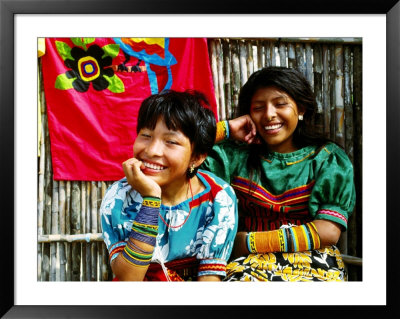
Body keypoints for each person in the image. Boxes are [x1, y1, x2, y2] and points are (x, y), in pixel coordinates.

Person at [202, 66, 356, 281]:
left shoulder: (327, 158)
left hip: (314, 261)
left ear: (301, 108)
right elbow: (180, 155)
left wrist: (247, 242)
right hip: (245, 264)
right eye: (258, 107)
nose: (268, 115)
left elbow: (329, 232)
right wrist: (226, 129)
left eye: (280, 104)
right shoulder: (230, 156)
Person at [100, 90, 238, 281]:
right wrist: (151, 199)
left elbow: (209, 281)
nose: (152, 150)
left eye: (171, 141)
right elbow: (129, 279)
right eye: (146, 135)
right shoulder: (120, 196)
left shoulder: (219, 198)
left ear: (196, 157)